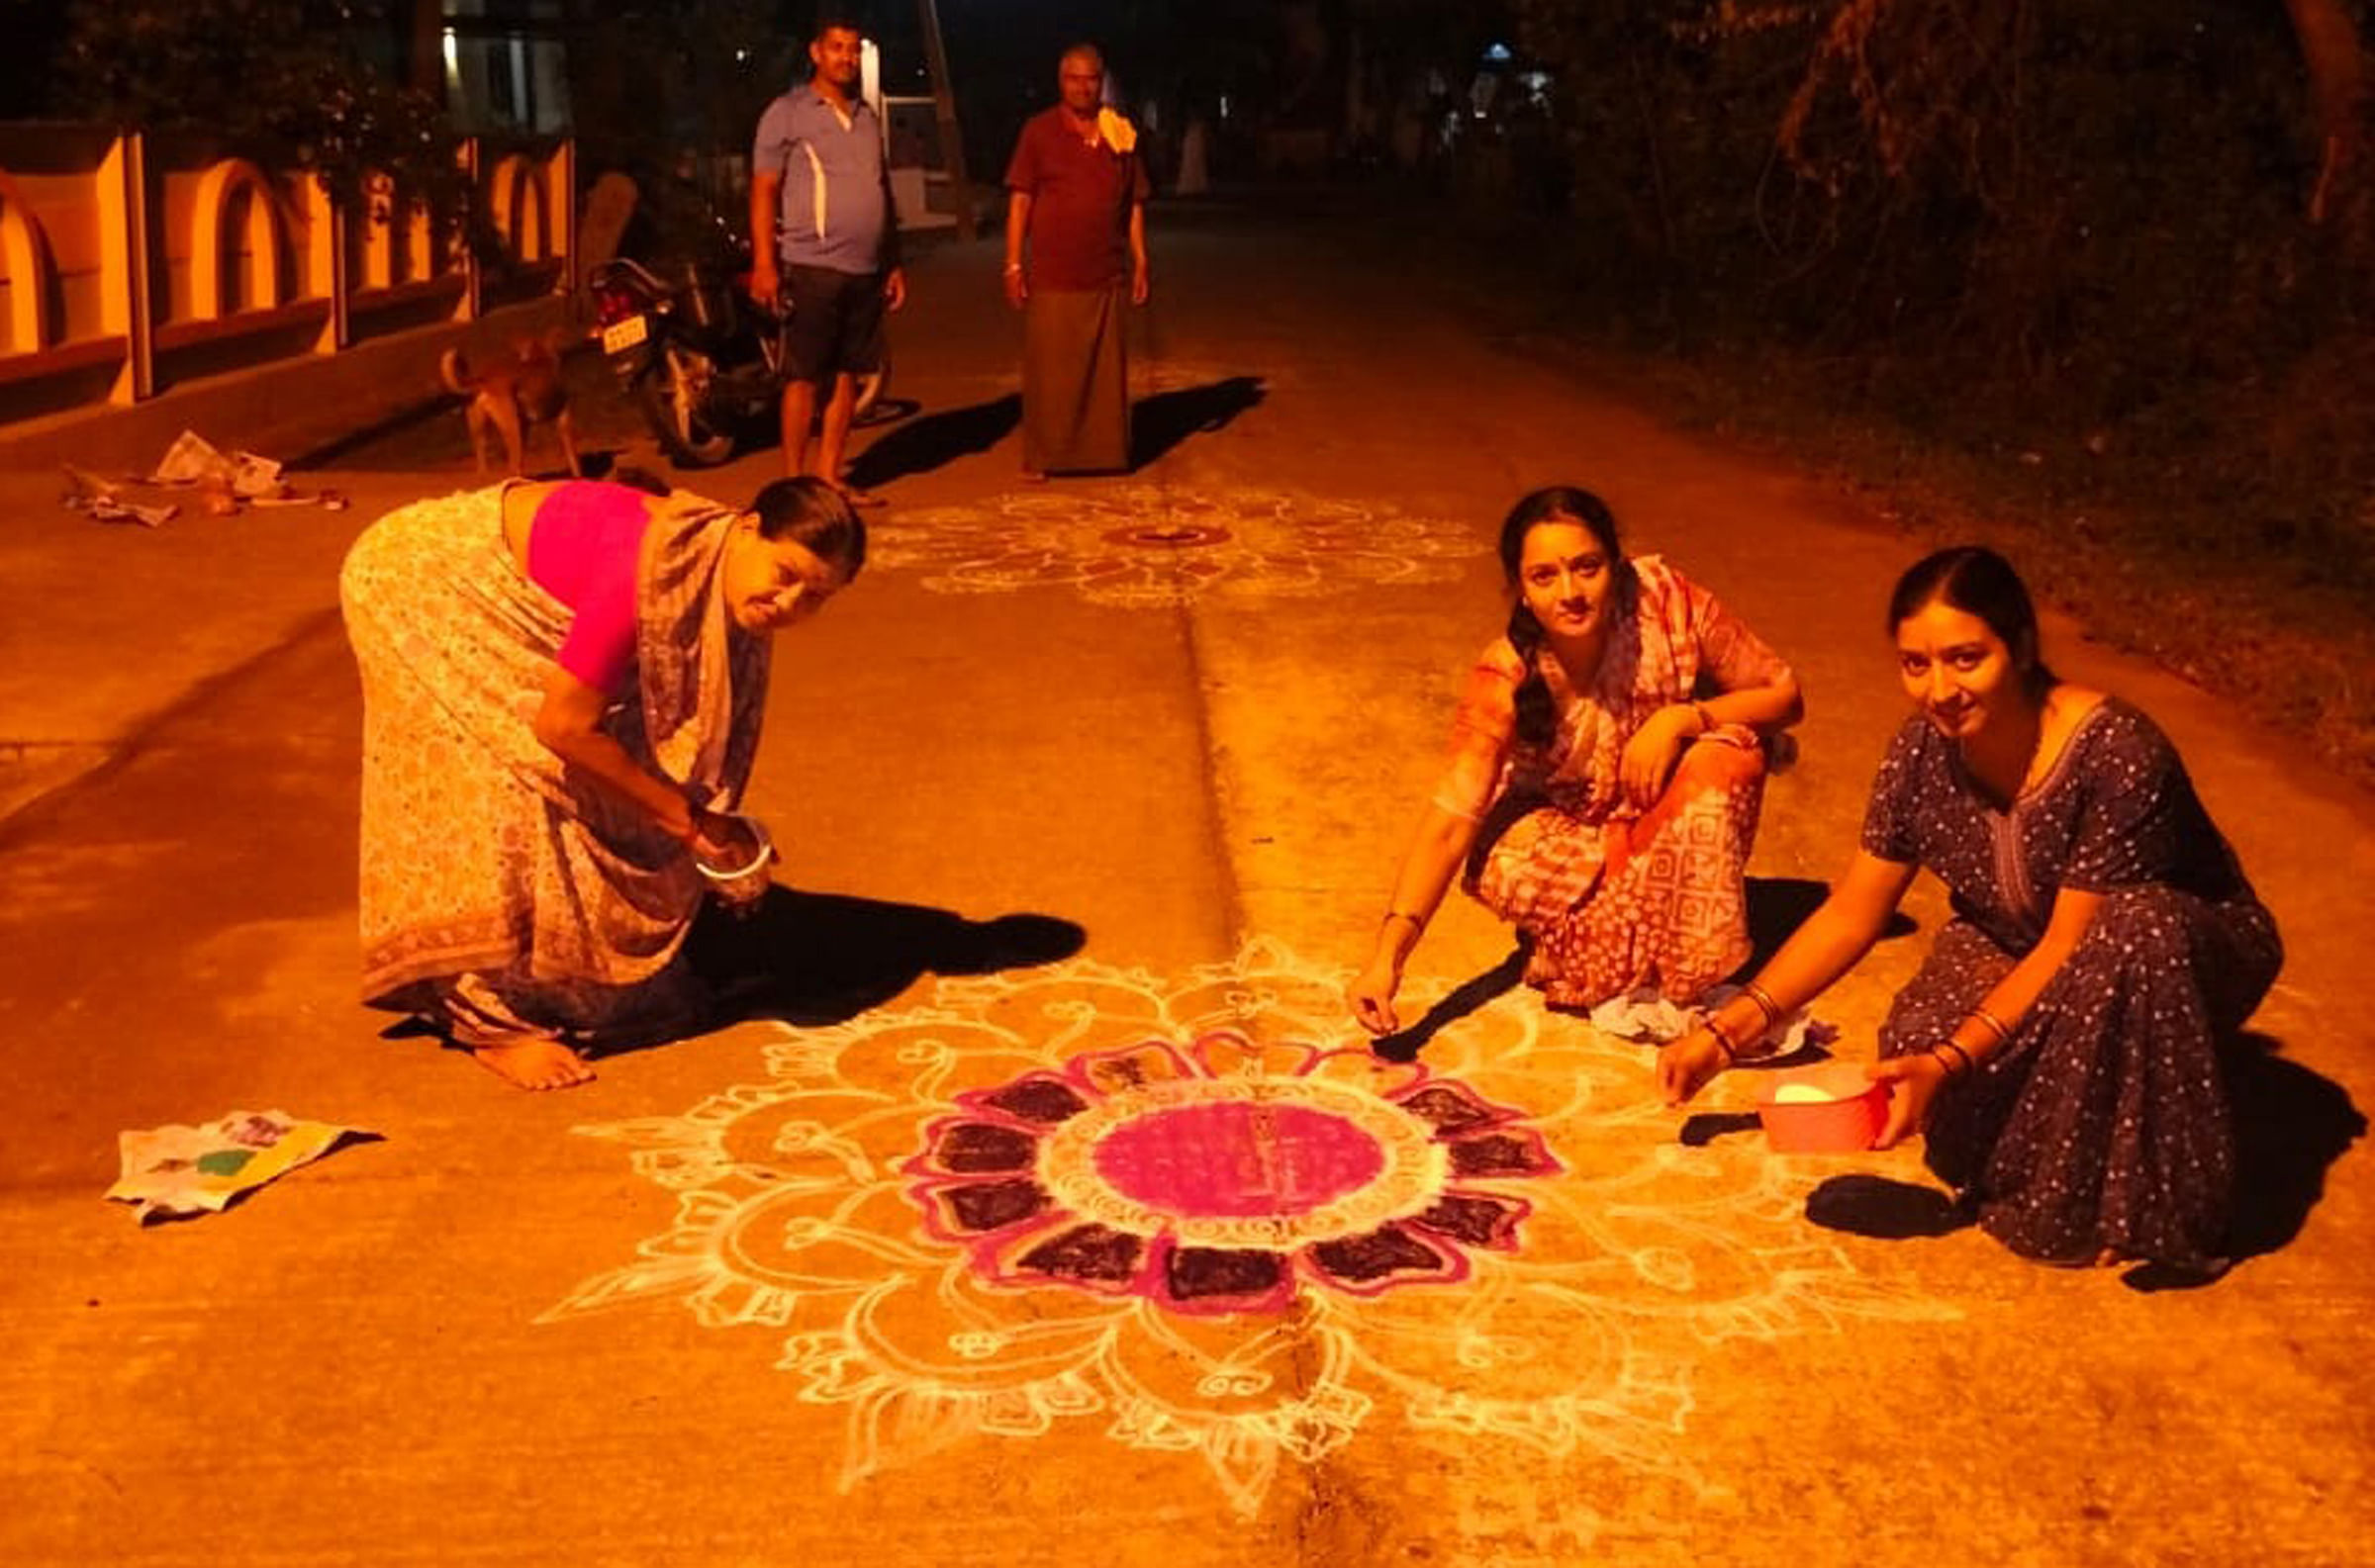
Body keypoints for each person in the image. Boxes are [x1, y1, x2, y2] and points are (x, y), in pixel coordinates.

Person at [1656, 547, 2281, 1275]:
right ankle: (2117, 1085)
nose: (1940, 689)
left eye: (1965, 658)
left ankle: (2160, 1195)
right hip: (2019, 938)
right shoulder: (1921, 753)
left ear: (2018, 647)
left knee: (2129, 937)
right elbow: (1854, 910)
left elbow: (2070, 944)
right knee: (1912, 1044)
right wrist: (1726, 1032)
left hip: (2166, 946)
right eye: (1916, 664)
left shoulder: (2116, 751)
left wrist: (1953, 1062)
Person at [339, 476, 864, 1090]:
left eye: (816, 595)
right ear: (747, 527)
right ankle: (491, 1020)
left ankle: (575, 954)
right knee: (495, 783)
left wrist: (695, 814)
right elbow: (563, 728)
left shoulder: (722, 567)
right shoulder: (643, 575)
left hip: (501, 575)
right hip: (422, 581)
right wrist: (687, 824)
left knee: (623, 752)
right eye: (786, 572)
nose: (791, 602)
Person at [1349, 487, 1805, 1036]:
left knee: (1730, 758)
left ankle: (1666, 960)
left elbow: (1783, 695)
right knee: (1514, 860)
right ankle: (1615, 937)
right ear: (1521, 592)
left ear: (1615, 564)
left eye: (1586, 568)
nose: (1570, 593)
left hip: (1656, 810)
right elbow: (1449, 824)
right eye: (1545, 577)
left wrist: (1682, 719)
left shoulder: (1667, 601)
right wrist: (1387, 961)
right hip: (1566, 835)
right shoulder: (1508, 673)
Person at [749, 14, 906, 503]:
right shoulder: (788, 112)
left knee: (847, 375)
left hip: (865, 269)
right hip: (811, 264)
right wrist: (765, 263)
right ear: (816, 53)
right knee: (802, 377)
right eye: (837, 47)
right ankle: (795, 484)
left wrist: (893, 261)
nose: (847, 57)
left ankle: (828, 476)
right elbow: (763, 189)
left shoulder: (865, 116)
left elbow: (882, 190)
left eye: (854, 49)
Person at [1001, 44, 1152, 478]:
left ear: (1101, 81)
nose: (1084, 87)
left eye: (1092, 79)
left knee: (1105, 374)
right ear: (1061, 81)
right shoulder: (1039, 131)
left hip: (1106, 272)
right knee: (1052, 374)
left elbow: (1134, 203)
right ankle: (1044, 456)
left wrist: (1141, 259)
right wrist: (1013, 263)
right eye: (1075, 78)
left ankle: (1103, 455)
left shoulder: (1119, 132)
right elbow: (1021, 200)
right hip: (1054, 272)